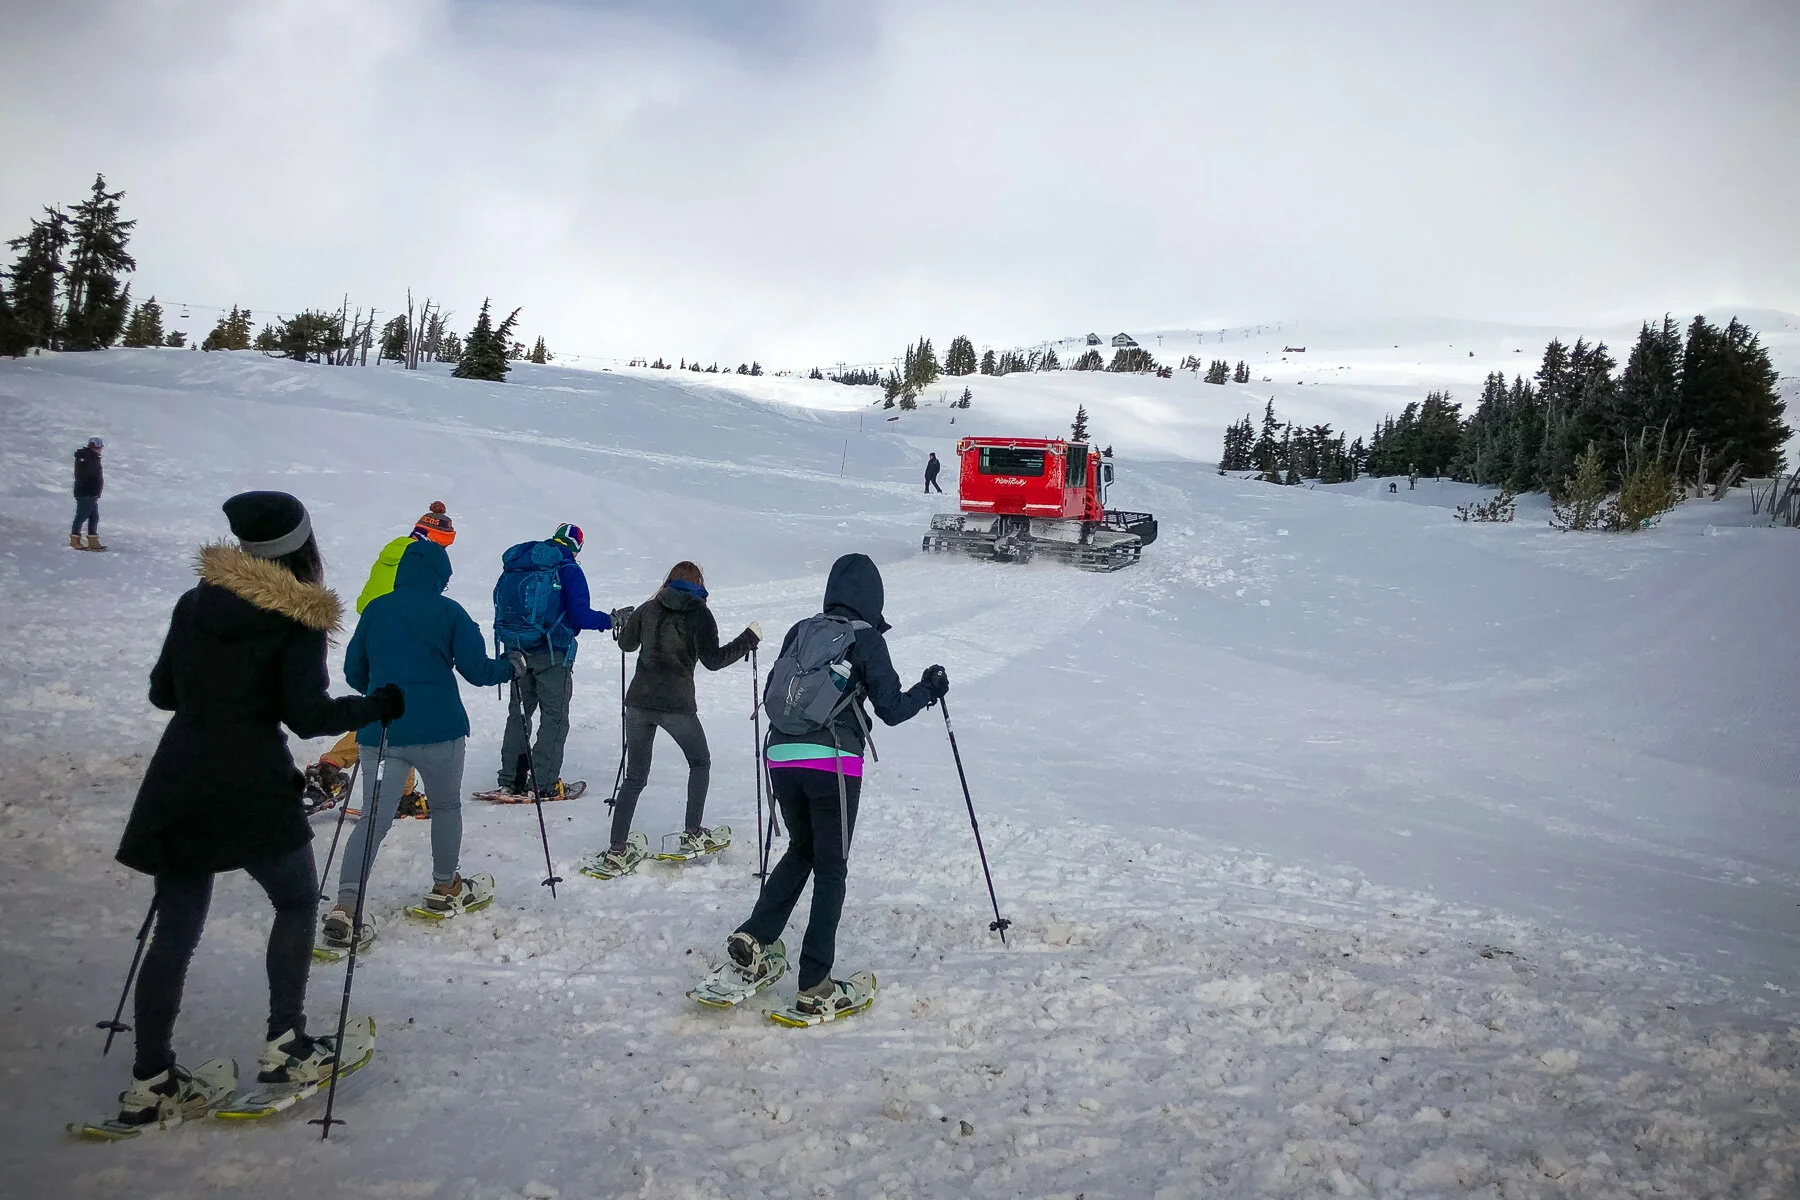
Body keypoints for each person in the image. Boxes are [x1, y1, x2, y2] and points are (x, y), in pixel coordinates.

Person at [109, 491, 402, 1127]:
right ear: (303, 545)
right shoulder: (298, 615)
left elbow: (163, 692)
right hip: (250, 779)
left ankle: (152, 1078)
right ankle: (286, 1045)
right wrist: (375, 705)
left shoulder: (196, 602)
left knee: (176, 928)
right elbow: (306, 716)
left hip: (180, 775)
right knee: (295, 901)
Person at [725, 553, 948, 1017]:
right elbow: (890, 710)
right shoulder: (865, 640)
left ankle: (755, 934)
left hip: (781, 755)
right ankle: (815, 983)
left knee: (802, 848)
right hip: (833, 761)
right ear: (873, 597)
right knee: (831, 867)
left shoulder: (800, 630)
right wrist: (930, 689)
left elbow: (776, 688)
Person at [326, 538, 520, 941]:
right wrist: (510, 668)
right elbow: (478, 670)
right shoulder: (450, 612)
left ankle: (346, 905)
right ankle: (445, 885)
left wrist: (380, 694)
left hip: (383, 732)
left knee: (374, 820)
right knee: (446, 808)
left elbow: (353, 670)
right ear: (439, 577)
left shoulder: (377, 609)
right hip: (439, 731)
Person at [598, 561, 759, 874]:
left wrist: (631, 623)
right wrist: (747, 640)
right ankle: (692, 832)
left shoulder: (648, 607)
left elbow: (626, 644)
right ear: (698, 584)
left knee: (635, 776)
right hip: (676, 706)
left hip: (639, 703)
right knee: (699, 762)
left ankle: (617, 849)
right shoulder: (700, 613)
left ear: (668, 581)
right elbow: (713, 661)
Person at [303, 502, 455, 815]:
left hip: (376, 642)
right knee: (394, 712)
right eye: (446, 542)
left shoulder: (392, 551)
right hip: (401, 648)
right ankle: (330, 768)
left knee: (400, 715)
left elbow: (365, 602)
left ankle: (402, 793)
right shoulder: (418, 560)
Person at [494, 522, 621, 799]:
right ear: (577, 546)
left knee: (519, 714)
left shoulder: (524, 565)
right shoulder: (569, 570)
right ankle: (543, 782)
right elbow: (580, 616)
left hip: (517, 650)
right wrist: (609, 620)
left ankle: (509, 780)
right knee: (554, 718)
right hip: (552, 653)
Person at [71, 437, 104, 550]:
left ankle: (93, 541)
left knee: (94, 516)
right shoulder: (88, 457)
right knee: (82, 515)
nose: (100, 450)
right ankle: (74, 539)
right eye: (99, 447)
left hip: (92, 492)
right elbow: (89, 475)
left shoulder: (92, 457)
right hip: (86, 492)